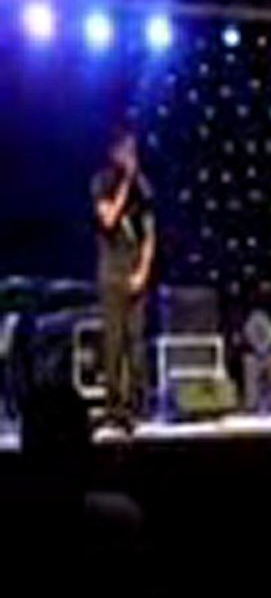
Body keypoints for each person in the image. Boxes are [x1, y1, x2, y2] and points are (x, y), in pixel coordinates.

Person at [91, 123, 156, 431]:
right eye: (126, 151)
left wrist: (143, 271)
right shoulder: (102, 182)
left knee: (136, 340)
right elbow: (109, 219)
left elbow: (150, 235)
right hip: (111, 269)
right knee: (114, 341)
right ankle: (113, 406)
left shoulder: (144, 188)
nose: (132, 156)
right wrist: (126, 183)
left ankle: (137, 405)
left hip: (134, 268)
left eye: (134, 151)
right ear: (115, 152)